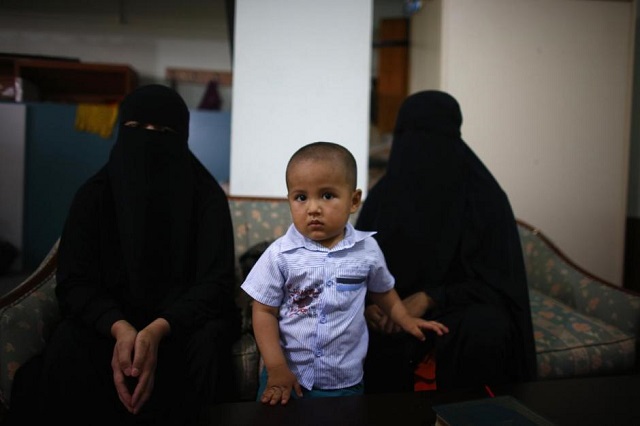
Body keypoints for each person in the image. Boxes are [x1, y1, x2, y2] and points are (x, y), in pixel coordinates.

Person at [6, 84, 240, 425]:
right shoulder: (94, 196)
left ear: (182, 139)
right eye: (136, 130)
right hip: (109, 327)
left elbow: (215, 286)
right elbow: (75, 283)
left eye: (163, 133)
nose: (149, 142)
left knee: (209, 345)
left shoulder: (207, 199)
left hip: (180, 329)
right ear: (121, 132)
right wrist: (120, 329)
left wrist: (156, 331)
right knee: (67, 344)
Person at [240, 141, 449, 406]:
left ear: (353, 200)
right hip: (286, 379)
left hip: (342, 381)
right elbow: (263, 311)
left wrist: (405, 319)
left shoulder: (367, 249)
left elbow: (382, 291)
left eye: (327, 195)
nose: (313, 208)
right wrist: (276, 366)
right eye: (301, 197)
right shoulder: (280, 254)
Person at [356, 90, 537, 393]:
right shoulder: (384, 197)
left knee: (487, 329)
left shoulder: (485, 198)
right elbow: (357, 265)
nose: (419, 150)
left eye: (431, 136)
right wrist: (369, 305)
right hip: (390, 307)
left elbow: (499, 285)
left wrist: (430, 297)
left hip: (458, 307)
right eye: (409, 136)